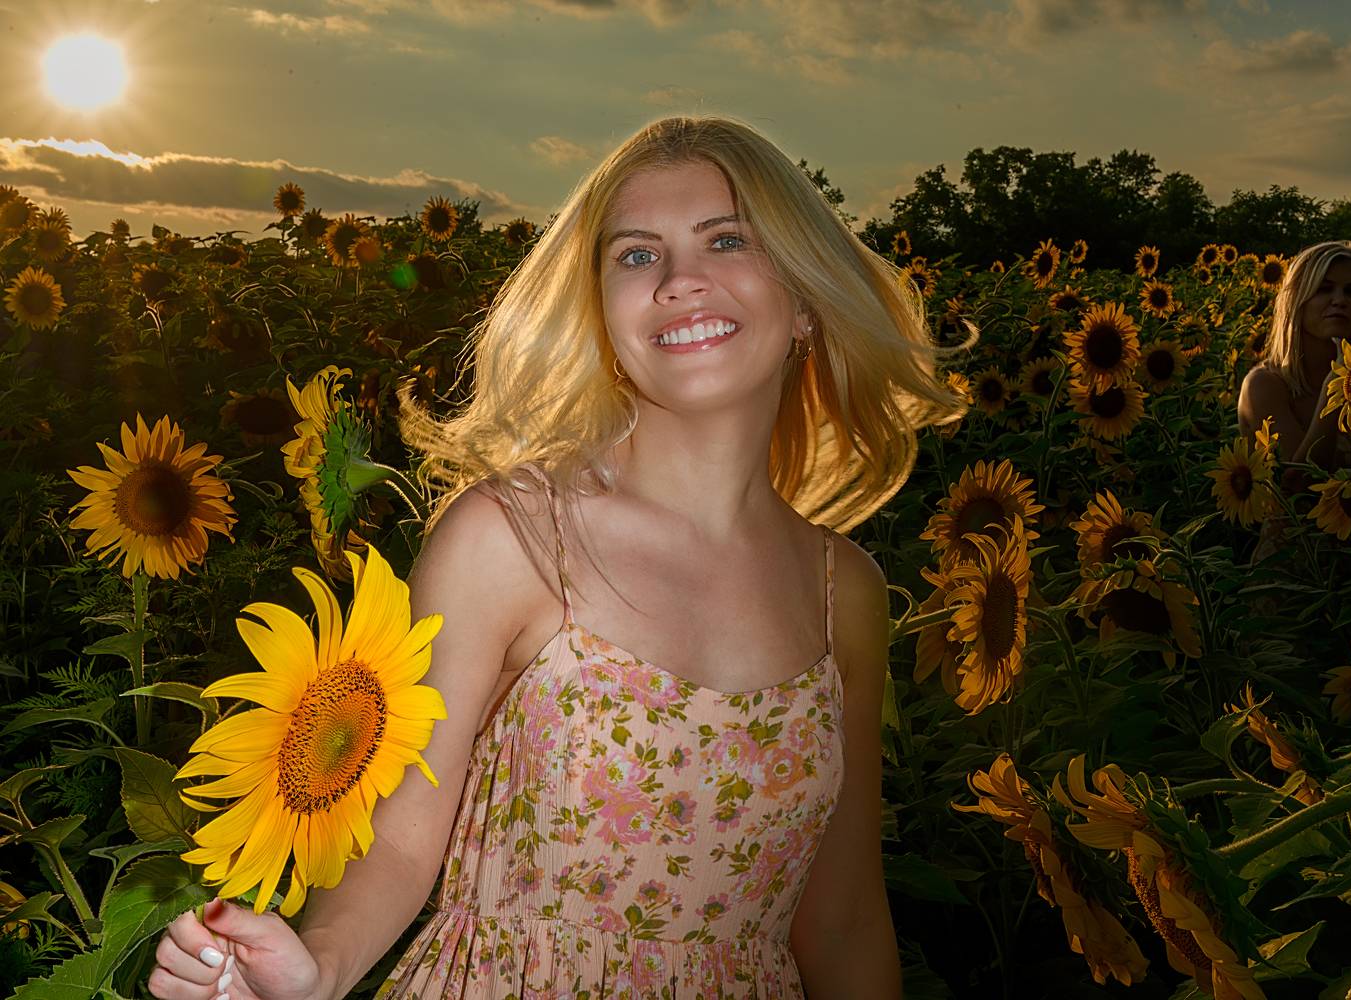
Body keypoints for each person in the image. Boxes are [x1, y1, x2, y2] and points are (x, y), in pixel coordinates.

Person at [146, 114, 966, 999]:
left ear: (805, 301)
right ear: (602, 316)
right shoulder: (512, 535)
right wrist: (321, 972)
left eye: (728, 240)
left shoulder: (845, 591)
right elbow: (402, 838)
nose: (680, 281)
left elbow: (842, 919)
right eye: (638, 255)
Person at [1237, 240, 1351, 562]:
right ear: (1297, 299)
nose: (1340, 300)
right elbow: (1299, 484)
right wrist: (1336, 390)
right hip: (1294, 567)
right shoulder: (1265, 384)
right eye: (1324, 289)